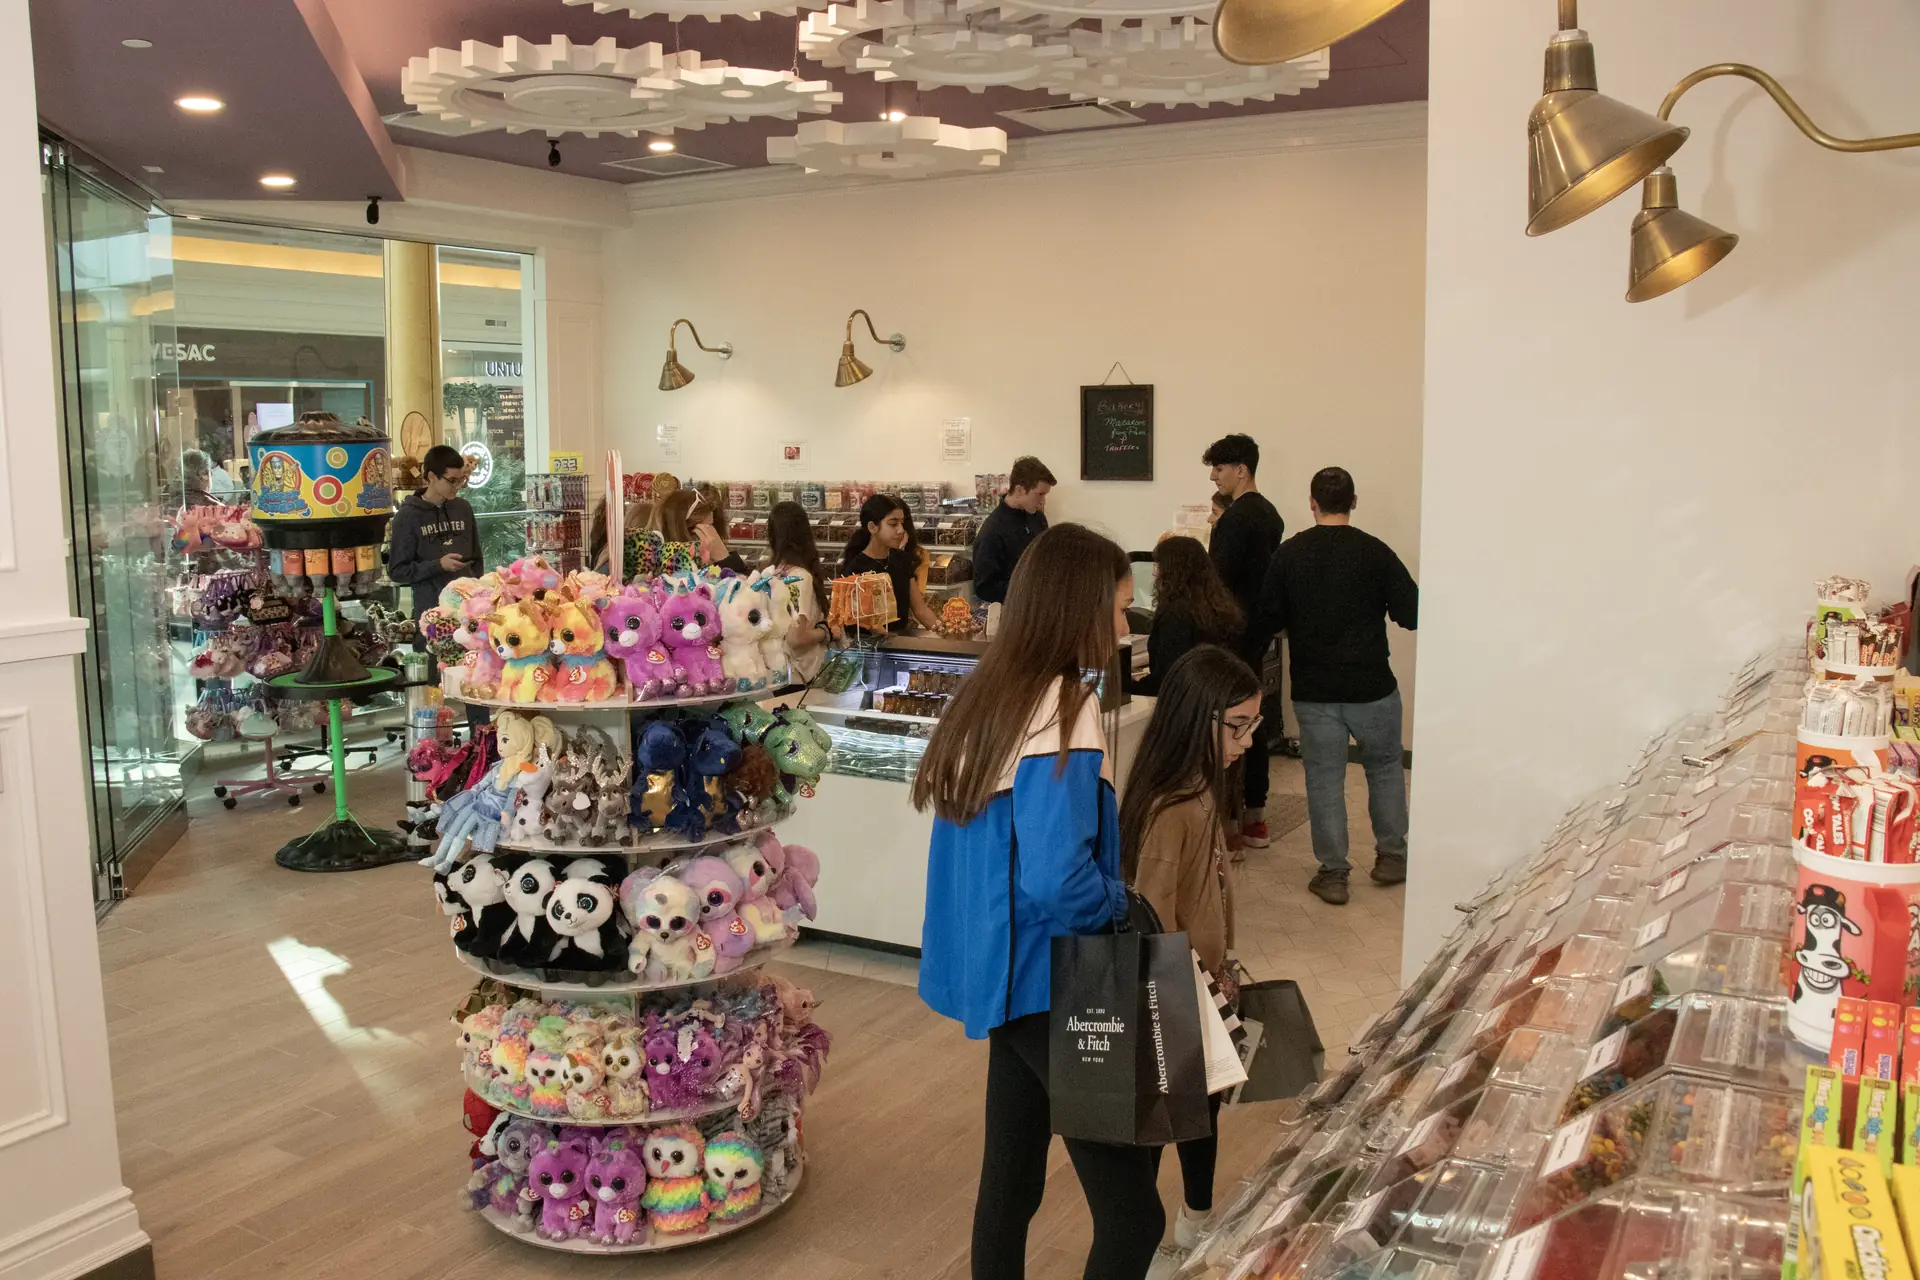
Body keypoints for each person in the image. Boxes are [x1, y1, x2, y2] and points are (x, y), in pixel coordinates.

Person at [913, 523, 1163, 1280]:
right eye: (1120, 608)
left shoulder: (990, 692)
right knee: (1134, 1213)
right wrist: (1119, 908)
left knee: (1011, 1183)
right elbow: (1056, 877)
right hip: (1055, 980)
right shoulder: (1065, 710)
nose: (1126, 625)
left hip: (1004, 978)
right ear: (1079, 609)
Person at [1121, 644, 1261, 1252]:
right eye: (1238, 726)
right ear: (1196, 718)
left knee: (1200, 1112)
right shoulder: (1171, 806)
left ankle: (1196, 1223)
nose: (1249, 740)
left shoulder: (1200, 789)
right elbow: (1151, 918)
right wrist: (1189, 987)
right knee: (1162, 1124)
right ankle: (1149, 1245)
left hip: (1198, 982)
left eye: (1256, 724)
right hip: (1171, 990)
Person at [1251, 467, 1417, 905]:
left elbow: (1266, 619)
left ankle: (1334, 873)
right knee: (1384, 770)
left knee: (1324, 780)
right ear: (1354, 502)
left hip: (1315, 688)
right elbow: (1412, 612)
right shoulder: (1375, 552)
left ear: (1312, 502)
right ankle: (1393, 856)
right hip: (1373, 686)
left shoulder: (1290, 555)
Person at [1203, 434, 1284, 849]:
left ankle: (1230, 825)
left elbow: (1217, 580)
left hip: (1231, 633)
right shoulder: (1270, 514)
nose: (1214, 476)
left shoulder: (1236, 518)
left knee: (1230, 726)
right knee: (1254, 721)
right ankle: (1256, 817)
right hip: (1258, 631)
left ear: (1241, 468)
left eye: (1219, 468)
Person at [1133, 536, 1241, 698]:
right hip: (1215, 697)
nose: (1155, 572)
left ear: (1172, 569)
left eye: (1159, 565)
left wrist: (1127, 686)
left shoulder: (1175, 613)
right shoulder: (1217, 606)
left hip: (1187, 705)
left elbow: (1168, 677)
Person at [388, 444, 482, 624]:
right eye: (452, 480)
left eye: (461, 479)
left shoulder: (463, 508)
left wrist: (478, 592)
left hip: (469, 613)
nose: (458, 486)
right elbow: (397, 571)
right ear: (432, 477)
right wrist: (438, 565)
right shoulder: (408, 516)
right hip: (432, 616)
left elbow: (477, 557)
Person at [841, 494, 941, 632]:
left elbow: (921, 610)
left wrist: (945, 631)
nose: (900, 530)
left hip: (899, 646)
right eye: (893, 524)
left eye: (902, 523)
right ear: (872, 527)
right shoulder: (857, 568)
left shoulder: (902, 559)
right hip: (868, 649)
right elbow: (856, 622)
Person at [766, 500, 834, 682]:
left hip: (775, 670)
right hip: (798, 674)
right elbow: (797, 638)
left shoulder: (770, 572)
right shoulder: (799, 577)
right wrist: (827, 632)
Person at [971, 456, 1054, 605]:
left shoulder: (1038, 519)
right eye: (1040, 494)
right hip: (1010, 613)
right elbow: (984, 587)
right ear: (1019, 490)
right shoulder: (992, 531)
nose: (1043, 501)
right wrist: (1029, 590)